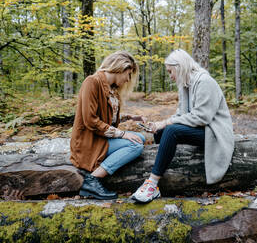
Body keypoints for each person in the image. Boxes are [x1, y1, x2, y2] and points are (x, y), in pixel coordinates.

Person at [131, 49, 234, 203]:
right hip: (201, 128)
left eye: (170, 71)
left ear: (179, 67)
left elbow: (202, 117)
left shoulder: (204, 81)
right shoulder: (185, 84)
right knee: (161, 132)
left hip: (214, 131)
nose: (170, 76)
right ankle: (167, 167)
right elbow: (180, 115)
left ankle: (152, 183)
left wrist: (166, 123)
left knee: (171, 130)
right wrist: (159, 124)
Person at [70, 51, 145, 200]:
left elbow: (107, 117)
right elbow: (91, 120)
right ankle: (92, 180)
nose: (128, 79)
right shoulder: (92, 82)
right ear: (120, 68)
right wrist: (123, 134)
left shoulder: (112, 89)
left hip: (100, 138)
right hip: (89, 142)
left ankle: (98, 172)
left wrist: (130, 117)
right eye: (128, 74)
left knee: (140, 138)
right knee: (136, 145)